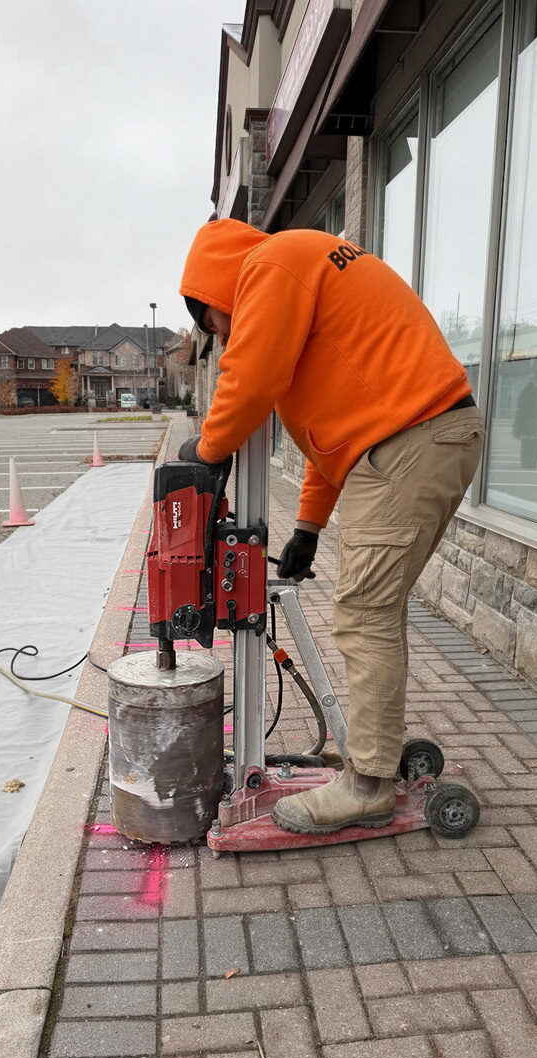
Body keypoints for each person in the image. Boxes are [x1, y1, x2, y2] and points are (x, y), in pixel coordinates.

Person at [177, 218, 483, 835]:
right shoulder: (301, 266)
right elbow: (335, 441)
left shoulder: (272, 265)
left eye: (216, 321)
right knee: (377, 610)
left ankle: (366, 787)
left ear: (217, 286)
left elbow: (251, 378)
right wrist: (308, 526)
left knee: (365, 613)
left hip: (412, 440)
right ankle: (374, 752)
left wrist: (209, 454)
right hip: (416, 437)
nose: (226, 334)